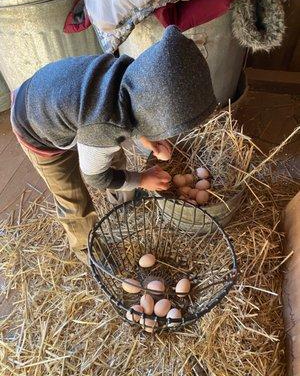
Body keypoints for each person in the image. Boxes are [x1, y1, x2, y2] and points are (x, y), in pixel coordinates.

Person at [10, 25, 217, 264]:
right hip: (35, 129)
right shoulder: (103, 125)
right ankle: (88, 250)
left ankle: (121, 203)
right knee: (73, 199)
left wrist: (145, 136)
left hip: (60, 99)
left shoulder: (130, 73)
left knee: (114, 155)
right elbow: (95, 177)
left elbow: (124, 110)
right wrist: (141, 179)